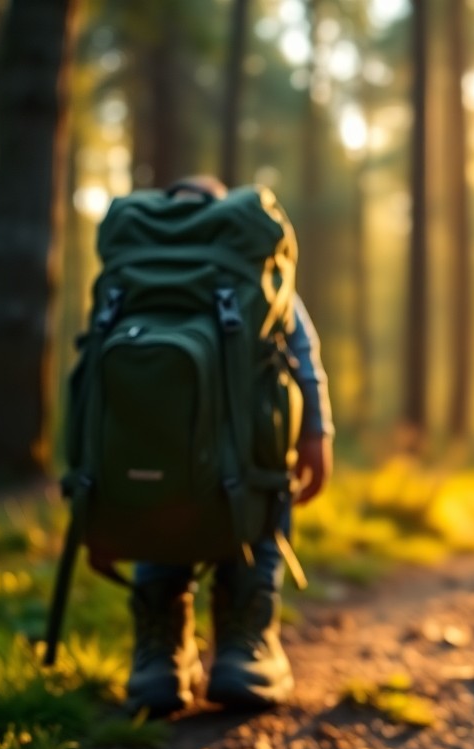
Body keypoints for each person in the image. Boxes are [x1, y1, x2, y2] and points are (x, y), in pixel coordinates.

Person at [124, 176, 334, 715]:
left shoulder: (134, 277)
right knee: (259, 522)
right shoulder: (253, 271)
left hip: (152, 465)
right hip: (247, 459)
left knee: (157, 532)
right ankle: (245, 648)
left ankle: (159, 659)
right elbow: (301, 354)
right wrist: (315, 433)